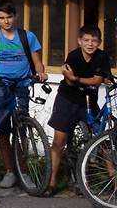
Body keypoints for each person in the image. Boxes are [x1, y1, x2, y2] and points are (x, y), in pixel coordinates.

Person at [0, 0, 48, 189]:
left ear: (15, 17)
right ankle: (10, 171)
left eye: (9, 17)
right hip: (0, 86)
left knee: (22, 128)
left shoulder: (27, 37)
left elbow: (37, 61)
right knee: (3, 130)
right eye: (2, 18)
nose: (6, 21)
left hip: (22, 84)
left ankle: (24, 171)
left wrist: (41, 72)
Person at [47, 25, 110, 195]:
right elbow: (69, 82)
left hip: (89, 100)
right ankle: (51, 181)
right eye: (86, 40)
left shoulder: (103, 56)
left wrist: (76, 78)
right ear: (80, 41)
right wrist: (73, 79)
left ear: (99, 43)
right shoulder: (73, 56)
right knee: (59, 141)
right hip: (67, 99)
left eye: (94, 41)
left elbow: (97, 80)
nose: (90, 44)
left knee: (101, 138)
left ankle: (112, 180)